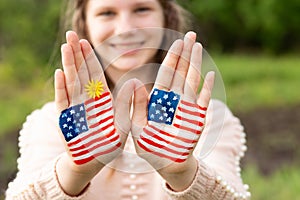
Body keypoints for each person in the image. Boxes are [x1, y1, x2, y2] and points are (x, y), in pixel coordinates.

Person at [6, 0, 251, 199]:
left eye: (141, 9)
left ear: (166, 16)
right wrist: (74, 170)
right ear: (85, 24)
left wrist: (183, 173)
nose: (126, 28)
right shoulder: (57, 121)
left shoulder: (205, 117)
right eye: (107, 13)